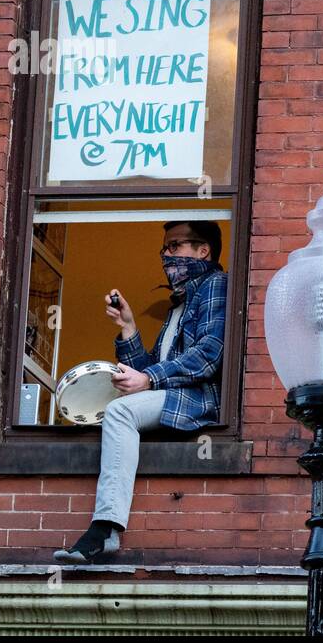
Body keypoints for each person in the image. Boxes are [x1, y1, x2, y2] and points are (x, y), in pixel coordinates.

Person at [53, 220, 228, 563]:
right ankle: (103, 531)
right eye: (164, 248)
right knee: (120, 401)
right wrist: (128, 327)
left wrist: (148, 379)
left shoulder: (215, 285)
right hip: (173, 397)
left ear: (203, 251)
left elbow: (209, 354)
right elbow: (150, 370)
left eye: (175, 246)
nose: (166, 254)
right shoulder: (179, 303)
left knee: (119, 410)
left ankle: (105, 529)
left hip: (198, 400)